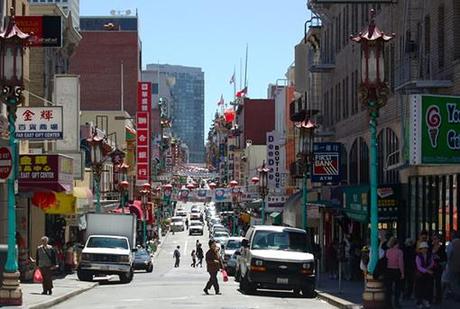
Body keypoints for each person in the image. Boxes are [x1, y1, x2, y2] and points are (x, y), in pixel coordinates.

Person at [384, 237, 404, 308]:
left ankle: (388, 304)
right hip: (396, 270)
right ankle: (396, 303)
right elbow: (400, 263)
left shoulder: (387, 251)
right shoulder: (399, 252)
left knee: (388, 288)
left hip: (388, 271)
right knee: (397, 288)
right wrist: (402, 273)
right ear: (396, 244)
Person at [415, 242, 434, 308]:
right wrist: (426, 270)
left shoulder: (429, 255)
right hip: (420, 274)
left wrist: (428, 268)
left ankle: (426, 300)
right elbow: (418, 266)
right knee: (420, 289)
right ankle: (419, 302)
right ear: (420, 249)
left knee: (427, 288)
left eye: (426, 248)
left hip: (427, 274)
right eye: (423, 248)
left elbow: (432, 262)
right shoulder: (418, 256)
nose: (424, 250)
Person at [431, 233, 447, 303]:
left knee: (438, 283)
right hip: (431, 266)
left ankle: (438, 298)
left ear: (438, 240)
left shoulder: (442, 248)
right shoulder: (430, 247)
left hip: (438, 266)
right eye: (433, 239)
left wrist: (438, 258)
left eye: (435, 239)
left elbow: (444, 258)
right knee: (430, 282)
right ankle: (430, 297)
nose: (434, 240)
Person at [447, 231, 460, 299]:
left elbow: (448, 255)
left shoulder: (451, 244)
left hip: (453, 265)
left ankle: (456, 295)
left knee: (454, 281)